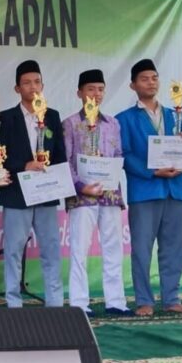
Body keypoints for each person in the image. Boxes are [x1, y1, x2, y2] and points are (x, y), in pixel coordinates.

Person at [116, 58, 182, 317]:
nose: (151, 82)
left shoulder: (176, 115)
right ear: (132, 85)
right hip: (145, 189)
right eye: (144, 78)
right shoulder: (124, 119)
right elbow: (124, 155)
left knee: (174, 247)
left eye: (154, 77)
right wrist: (152, 171)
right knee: (141, 248)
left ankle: (172, 298)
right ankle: (144, 301)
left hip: (174, 188)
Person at [0, 60, 66, 308]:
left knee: (51, 249)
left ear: (43, 84)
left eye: (37, 82)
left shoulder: (52, 116)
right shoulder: (4, 119)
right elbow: (0, 158)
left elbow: (59, 154)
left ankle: (55, 301)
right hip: (17, 194)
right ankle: (13, 301)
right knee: (14, 250)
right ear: (17, 88)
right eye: (27, 83)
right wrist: (24, 166)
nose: (33, 87)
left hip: (46, 193)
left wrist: (60, 182)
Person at [63, 69, 131, 316]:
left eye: (100, 89)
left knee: (114, 248)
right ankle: (80, 302)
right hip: (82, 196)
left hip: (110, 193)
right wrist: (82, 186)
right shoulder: (70, 123)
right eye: (91, 89)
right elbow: (66, 162)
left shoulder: (112, 123)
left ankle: (116, 300)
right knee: (79, 250)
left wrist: (110, 171)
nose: (96, 94)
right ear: (79, 93)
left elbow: (119, 155)